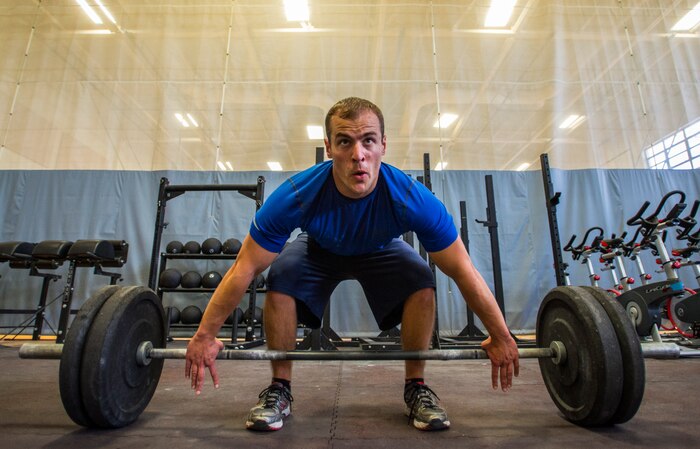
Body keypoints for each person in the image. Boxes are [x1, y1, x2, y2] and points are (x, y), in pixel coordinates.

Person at [185, 97, 519, 432]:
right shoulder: (297, 195)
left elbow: (463, 270)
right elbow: (243, 268)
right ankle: (279, 389)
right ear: (329, 147)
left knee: (420, 277)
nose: (358, 155)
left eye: (368, 141)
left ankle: (416, 387)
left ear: (383, 146)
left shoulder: (411, 198)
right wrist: (204, 336)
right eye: (345, 141)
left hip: (381, 249)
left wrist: (500, 335)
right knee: (281, 275)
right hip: (318, 249)